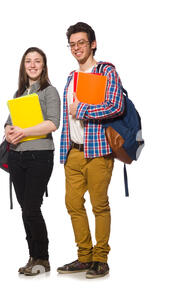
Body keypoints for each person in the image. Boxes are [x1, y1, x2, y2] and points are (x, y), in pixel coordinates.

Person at [56, 22, 124, 279]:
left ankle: (101, 259)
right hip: (73, 152)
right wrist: (63, 154)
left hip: (98, 151)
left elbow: (115, 105)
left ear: (92, 44)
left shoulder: (106, 71)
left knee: (99, 205)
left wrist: (82, 109)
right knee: (72, 203)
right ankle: (84, 256)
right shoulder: (71, 78)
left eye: (81, 43)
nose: (77, 48)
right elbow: (67, 120)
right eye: (72, 44)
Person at [5, 47, 61, 276]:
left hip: (40, 155)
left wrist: (24, 131)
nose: (33, 64)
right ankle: (32, 256)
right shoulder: (19, 94)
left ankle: (43, 259)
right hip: (17, 156)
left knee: (31, 209)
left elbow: (53, 123)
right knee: (24, 210)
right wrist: (8, 132)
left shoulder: (49, 91)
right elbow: (8, 124)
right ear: (23, 65)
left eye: (37, 61)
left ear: (44, 65)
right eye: (28, 61)